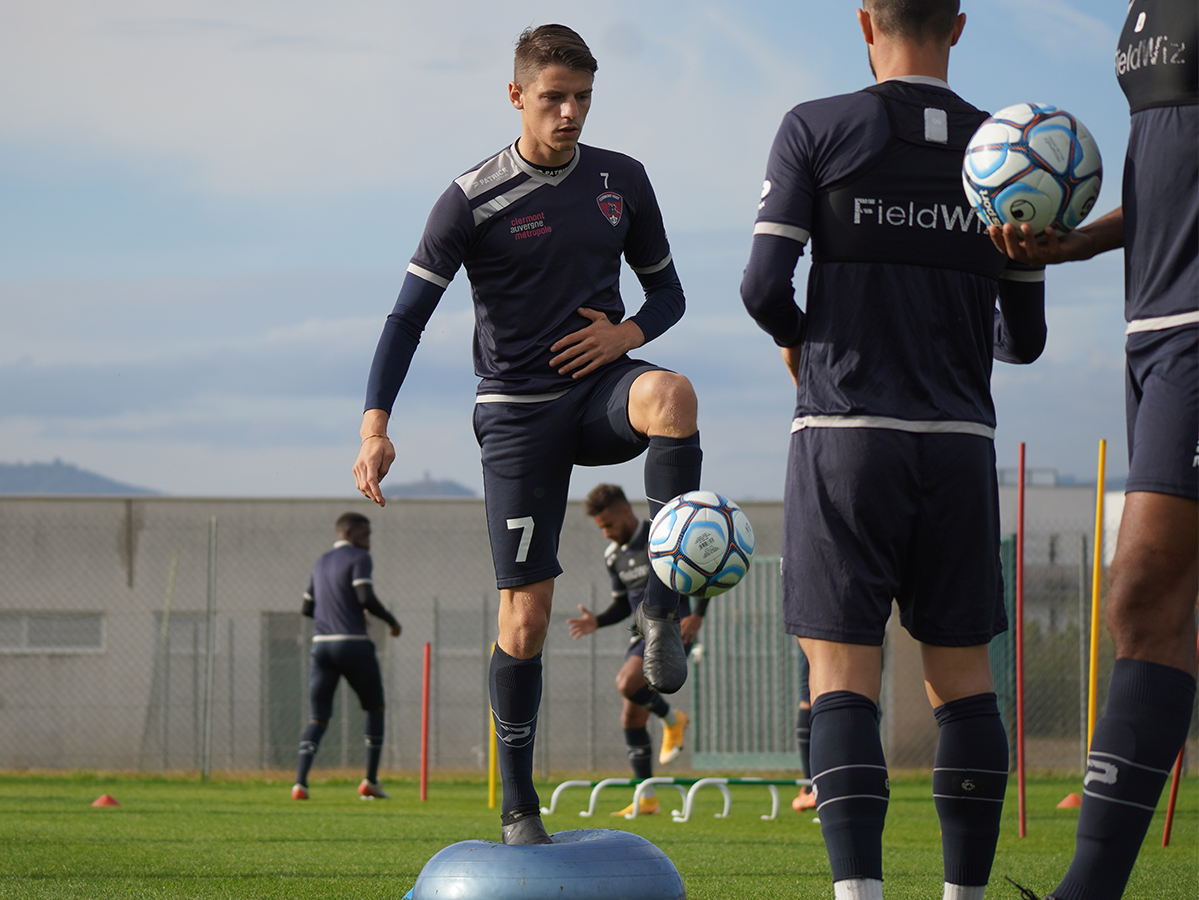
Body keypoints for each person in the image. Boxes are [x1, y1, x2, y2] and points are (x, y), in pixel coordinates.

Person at [352, 25, 702, 844]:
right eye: (554, 98)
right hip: (515, 411)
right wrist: (376, 427)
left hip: (600, 388)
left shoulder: (624, 180)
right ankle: (517, 806)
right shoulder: (470, 197)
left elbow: (669, 295)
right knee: (527, 620)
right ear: (516, 96)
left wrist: (628, 334)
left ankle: (661, 598)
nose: (571, 112)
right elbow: (406, 318)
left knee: (675, 396)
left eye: (583, 97)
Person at [739, 2, 1048, 899]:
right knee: (961, 681)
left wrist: (811, 343)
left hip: (844, 434)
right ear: (957, 25)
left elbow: (763, 288)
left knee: (841, 676)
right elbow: (1021, 341)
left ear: (864, 20)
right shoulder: (1006, 147)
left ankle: (859, 896)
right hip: (957, 445)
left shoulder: (815, 127)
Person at [988, 2, 1196, 897]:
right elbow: (1166, 172)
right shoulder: (1138, 15)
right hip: (1148, 322)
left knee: (1139, 589)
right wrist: (1081, 242)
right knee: (1157, 610)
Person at [567, 483, 705, 817]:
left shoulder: (662, 536)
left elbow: (703, 572)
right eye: (600, 527)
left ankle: (674, 719)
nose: (605, 533)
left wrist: (697, 616)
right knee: (631, 715)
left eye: (609, 525)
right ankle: (647, 798)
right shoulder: (613, 556)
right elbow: (621, 605)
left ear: (626, 513)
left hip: (672, 626)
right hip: (639, 631)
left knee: (627, 683)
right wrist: (596, 621)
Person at [292, 512, 402, 801]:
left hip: (322, 646)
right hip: (352, 643)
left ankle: (300, 783)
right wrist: (391, 621)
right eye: (365, 535)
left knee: (318, 717)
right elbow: (365, 596)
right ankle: (370, 781)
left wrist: (336, 612)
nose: (368, 541)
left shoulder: (321, 562)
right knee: (374, 708)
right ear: (350, 533)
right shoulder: (359, 558)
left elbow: (306, 608)